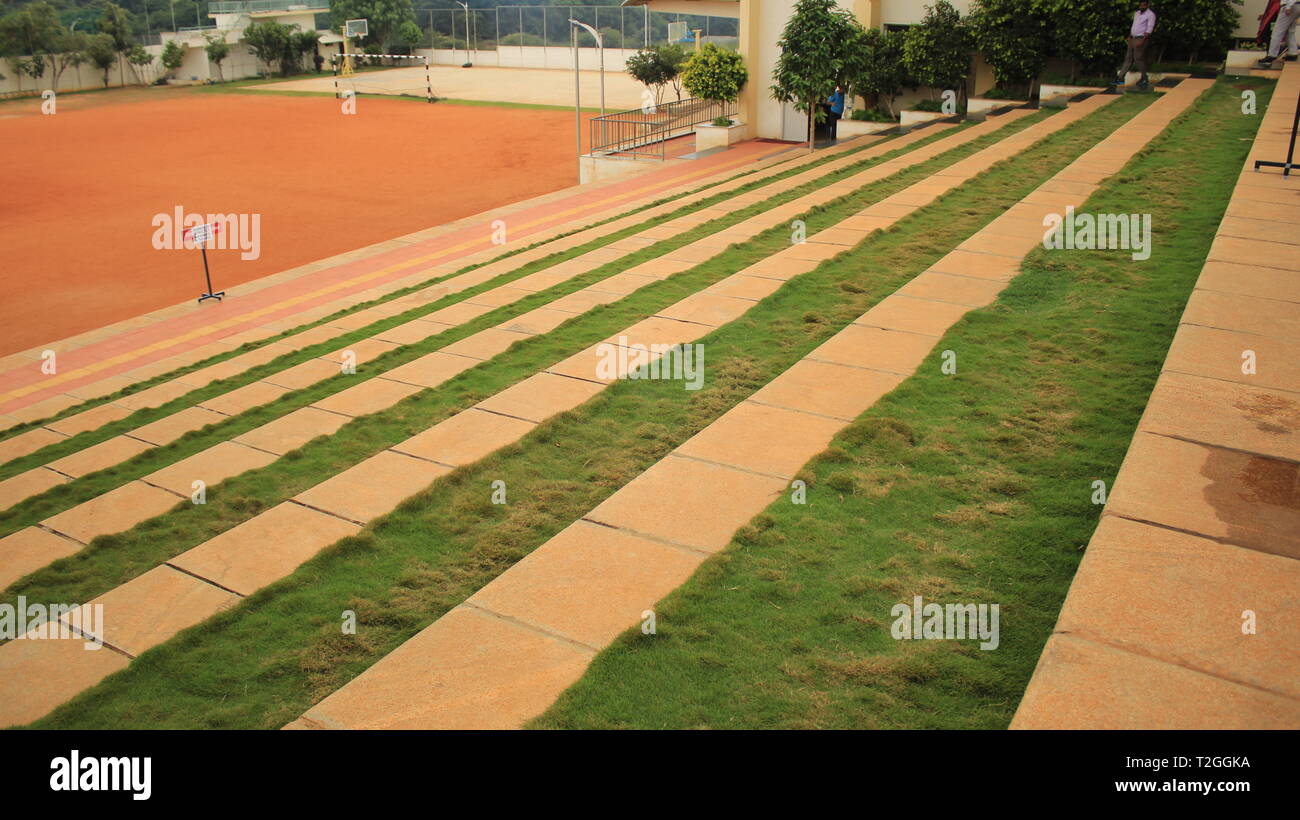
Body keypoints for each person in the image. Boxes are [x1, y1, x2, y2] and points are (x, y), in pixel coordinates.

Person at [1115, 1, 1157, 90]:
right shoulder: (1137, 13)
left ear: (1147, 5)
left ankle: (1144, 78)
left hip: (1141, 39)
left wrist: (1143, 41)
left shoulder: (1150, 15)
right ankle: (1120, 77)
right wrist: (1129, 37)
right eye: (1140, 4)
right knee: (1128, 58)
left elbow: (1149, 28)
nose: (1142, 6)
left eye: (1144, 5)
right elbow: (1134, 26)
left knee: (1138, 58)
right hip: (1133, 38)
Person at [1258, 0, 1300, 67]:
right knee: (1290, 31)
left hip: (1290, 5)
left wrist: (1288, 6)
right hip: (1297, 5)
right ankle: (1292, 53)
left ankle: (1272, 55)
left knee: (1277, 31)